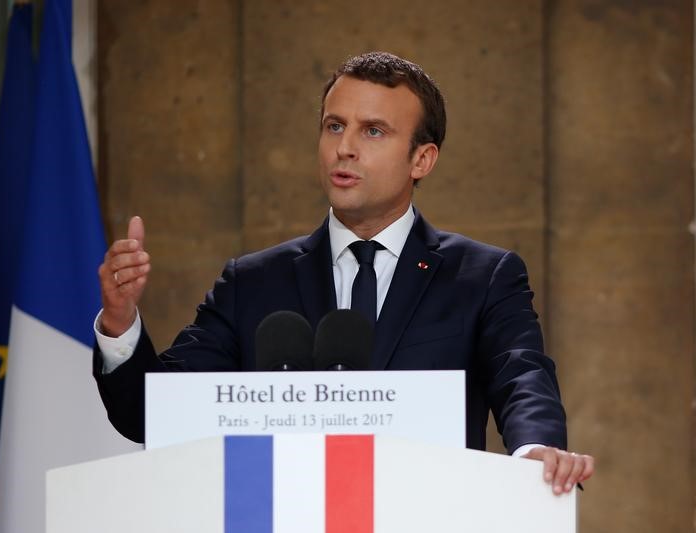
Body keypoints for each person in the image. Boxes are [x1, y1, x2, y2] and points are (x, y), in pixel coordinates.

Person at [93, 51, 594, 495]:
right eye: (334, 126)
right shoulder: (252, 283)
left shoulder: (482, 277)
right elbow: (150, 415)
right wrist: (120, 324)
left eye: (373, 131)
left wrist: (535, 453)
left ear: (422, 158)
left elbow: (522, 375)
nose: (345, 148)